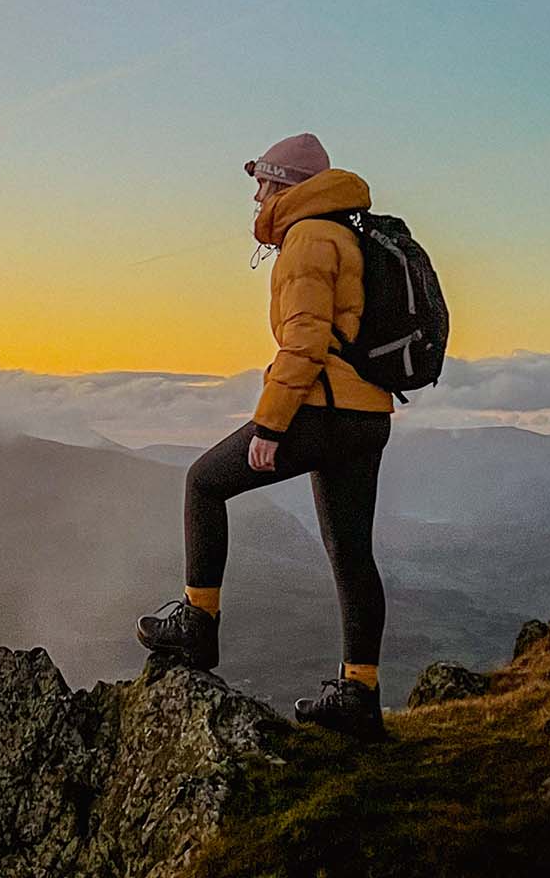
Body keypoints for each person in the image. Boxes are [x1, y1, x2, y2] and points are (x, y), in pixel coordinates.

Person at [135, 132, 395, 741]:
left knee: (202, 483)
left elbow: (303, 341)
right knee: (352, 554)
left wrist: (271, 425)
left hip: (320, 409)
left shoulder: (308, 239)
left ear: (286, 186)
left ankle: (198, 626)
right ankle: (360, 692)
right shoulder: (347, 232)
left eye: (263, 183)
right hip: (366, 417)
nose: (255, 196)